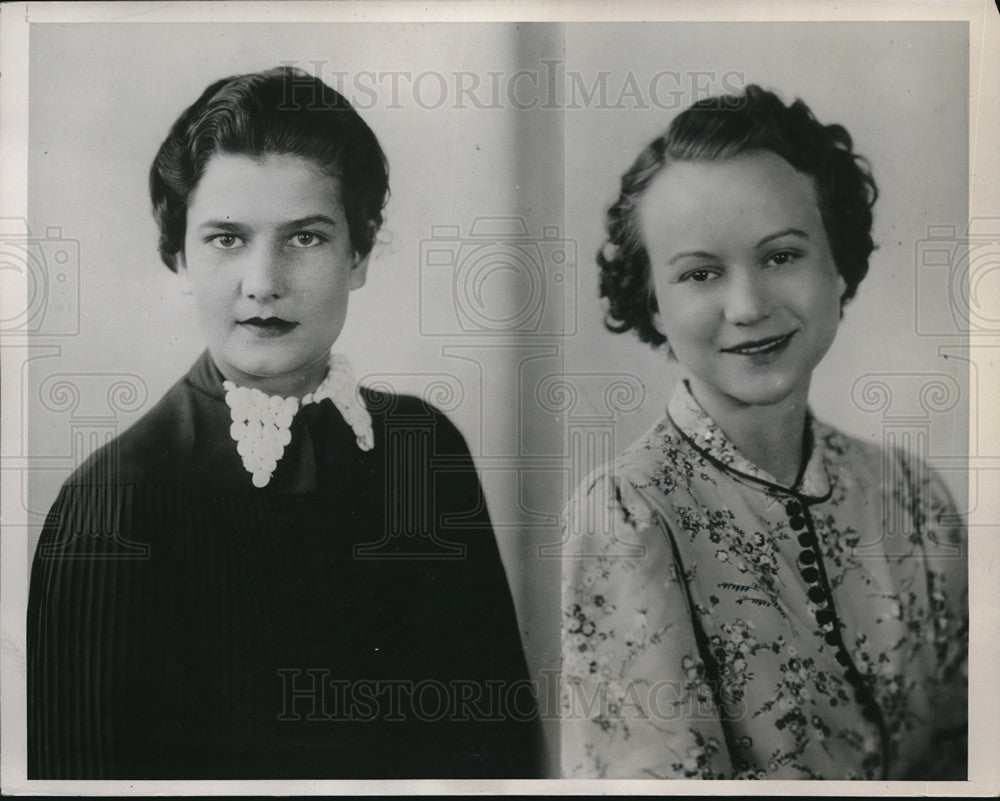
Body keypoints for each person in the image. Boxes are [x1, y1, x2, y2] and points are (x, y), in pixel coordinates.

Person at [27, 66, 542, 780]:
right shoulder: (115, 503)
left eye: (305, 238)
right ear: (178, 253)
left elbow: (506, 758)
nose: (263, 281)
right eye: (227, 239)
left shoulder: (422, 452)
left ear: (358, 252)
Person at [560, 85, 967, 780]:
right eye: (700, 272)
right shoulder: (628, 513)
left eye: (781, 256)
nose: (748, 306)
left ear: (838, 262)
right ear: (653, 302)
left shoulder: (912, 496)